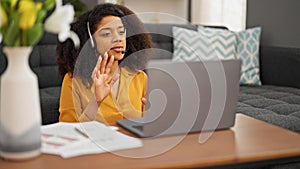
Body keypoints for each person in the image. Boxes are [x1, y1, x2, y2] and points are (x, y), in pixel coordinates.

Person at [56, 3, 153, 124]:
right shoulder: (73, 81)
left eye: (121, 32)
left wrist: (152, 117)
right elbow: (68, 131)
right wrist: (96, 101)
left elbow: (146, 127)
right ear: (91, 42)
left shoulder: (139, 78)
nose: (118, 39)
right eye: (107, 33)